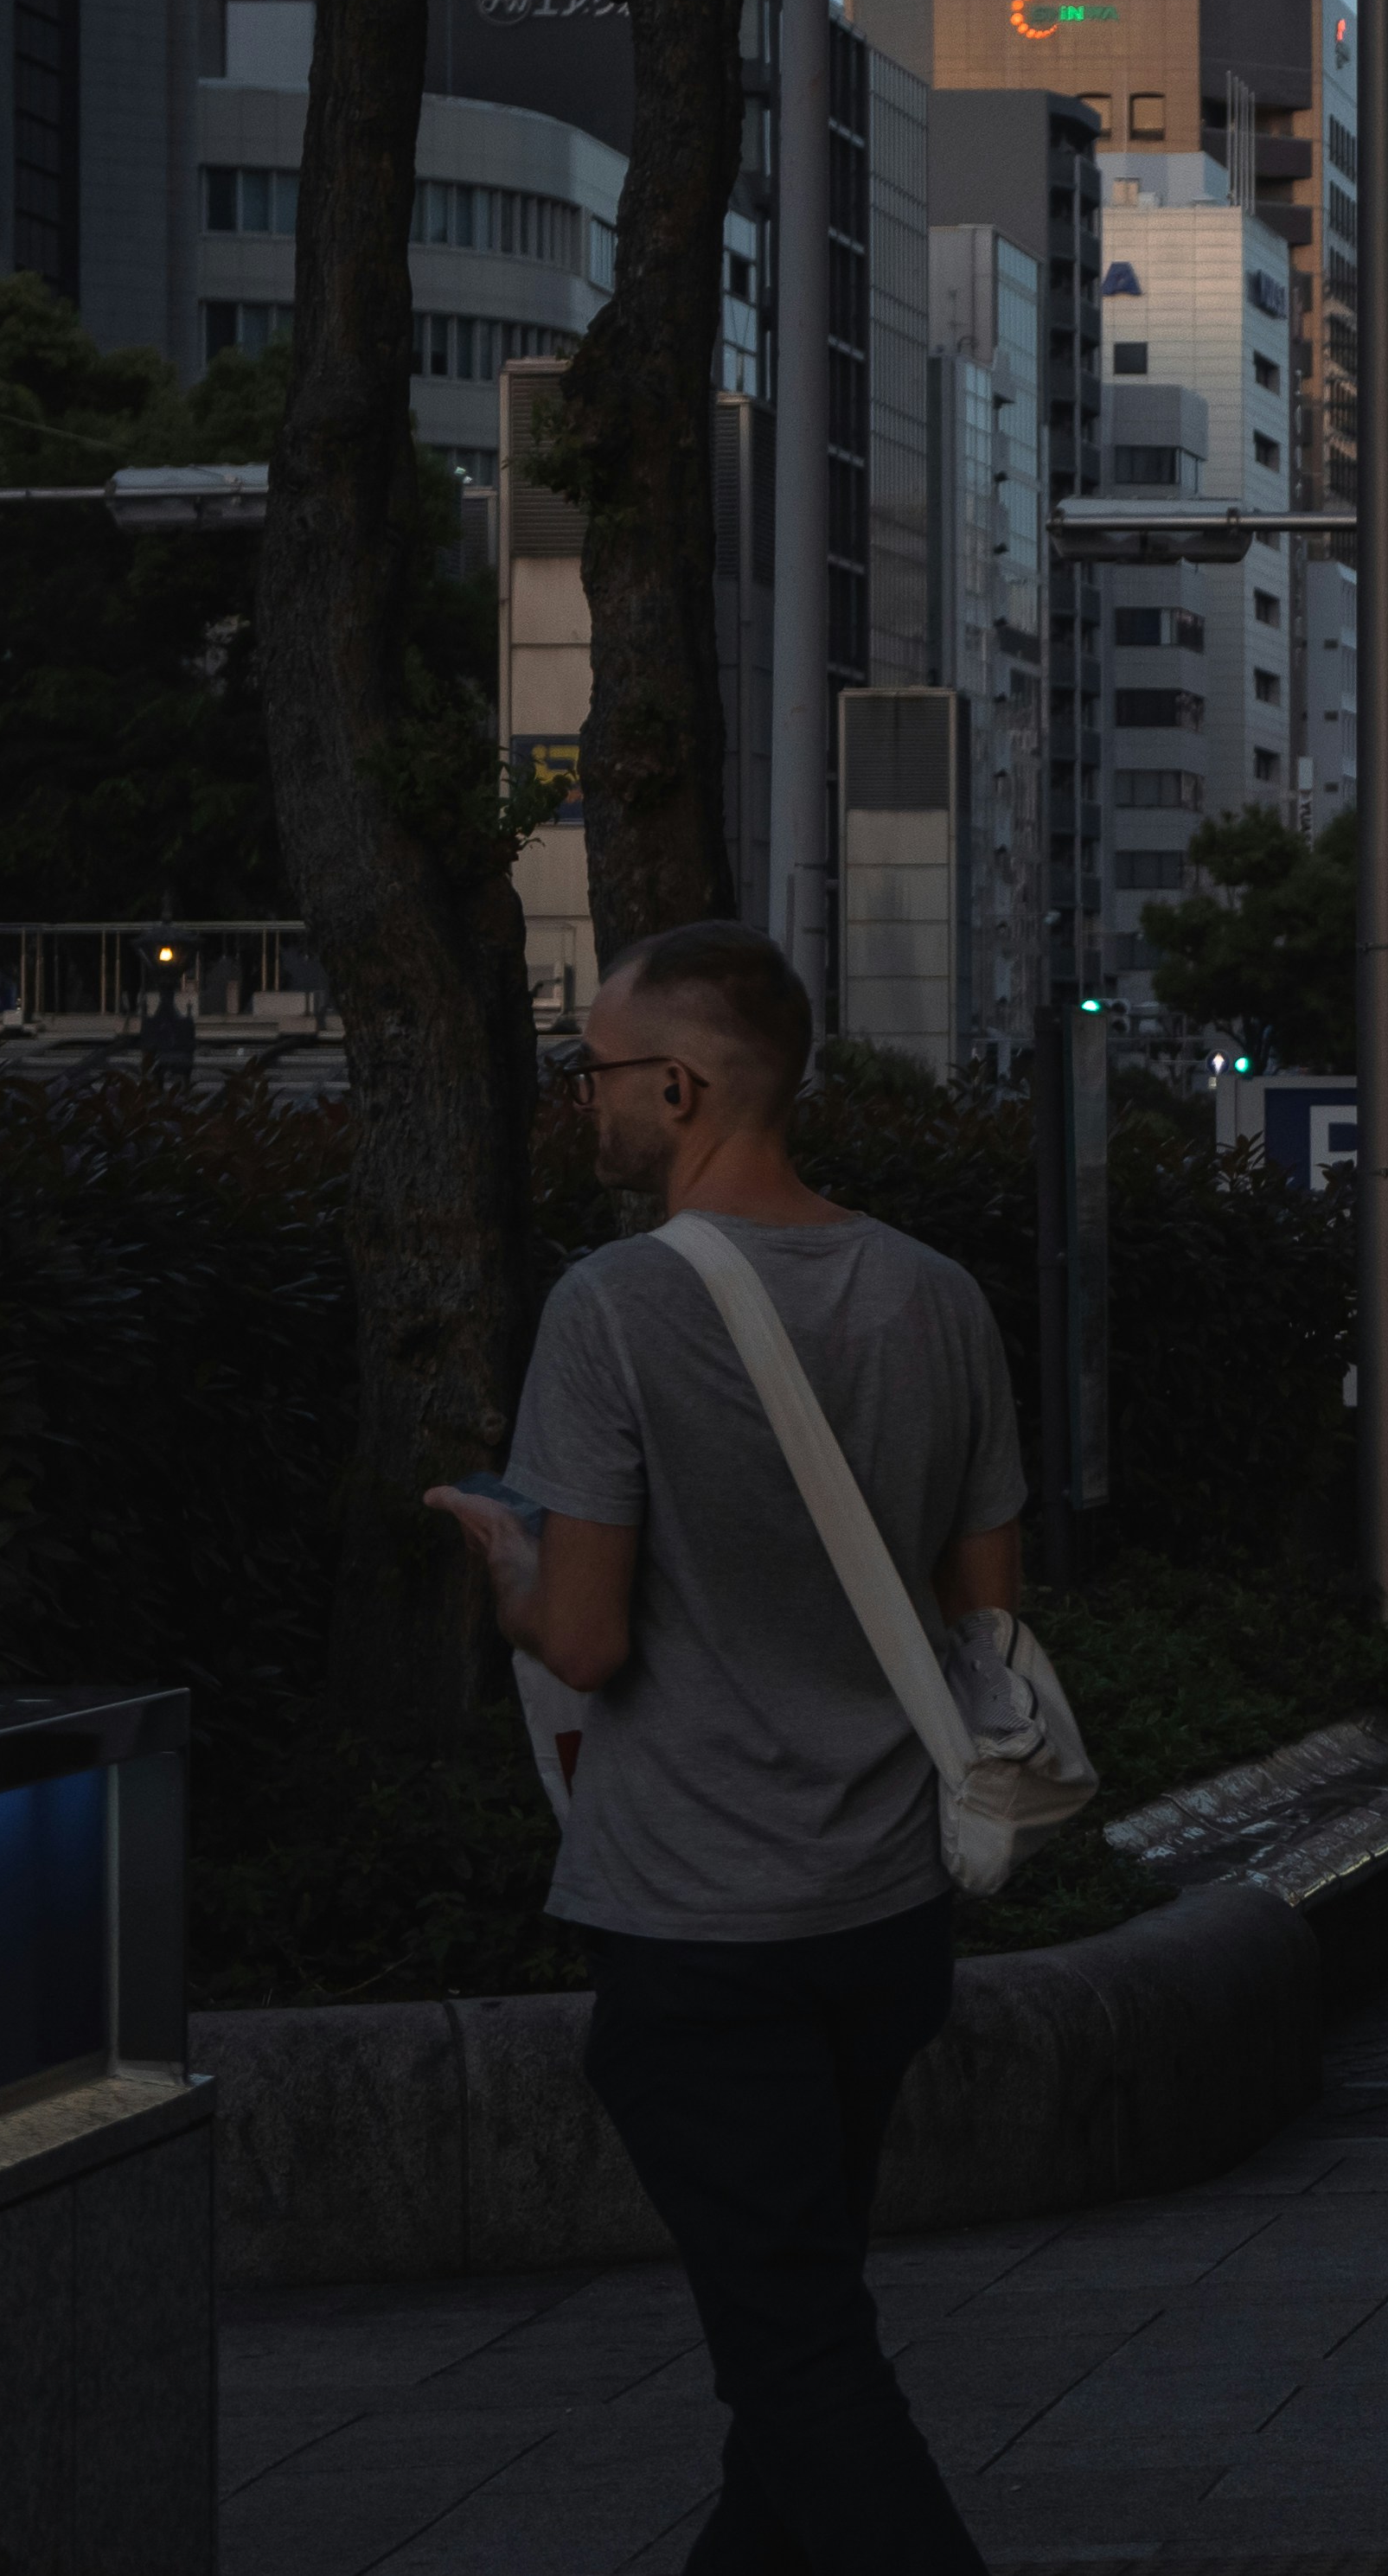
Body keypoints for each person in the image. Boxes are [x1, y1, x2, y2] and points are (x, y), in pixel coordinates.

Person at [423, 920, 1017, 2575]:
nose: (585, 1102)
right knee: (796, 2331)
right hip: (888, 1908)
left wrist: (510, 1570)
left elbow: (594, 1638)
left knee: (802, 2359)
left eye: (598, 1071)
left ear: (679, 1084)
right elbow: (987, 1617)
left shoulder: (611, 1309)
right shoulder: (938, 1296)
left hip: (700, 1923)